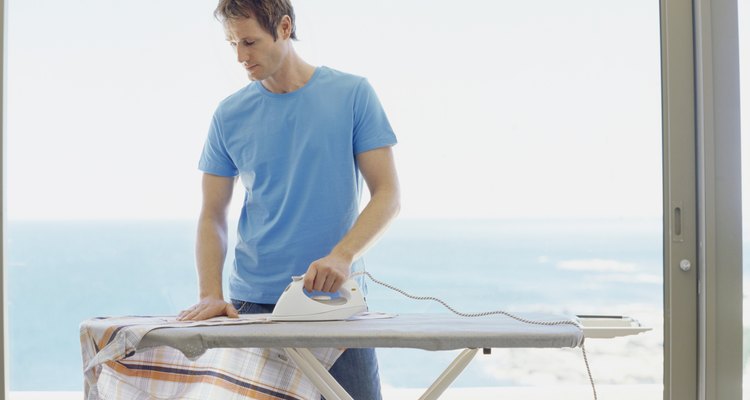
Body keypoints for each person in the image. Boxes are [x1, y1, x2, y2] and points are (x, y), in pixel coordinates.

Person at [177, 0, 400, 398]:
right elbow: (212, 214)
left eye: (249, 42)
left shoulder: (352, 94)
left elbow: (388, 196)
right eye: (232, 45)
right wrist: (210, 293)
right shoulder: (229, 115)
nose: (241, 57)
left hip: (334, 304)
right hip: (253, 305)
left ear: (283, 28)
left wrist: (342, 256)